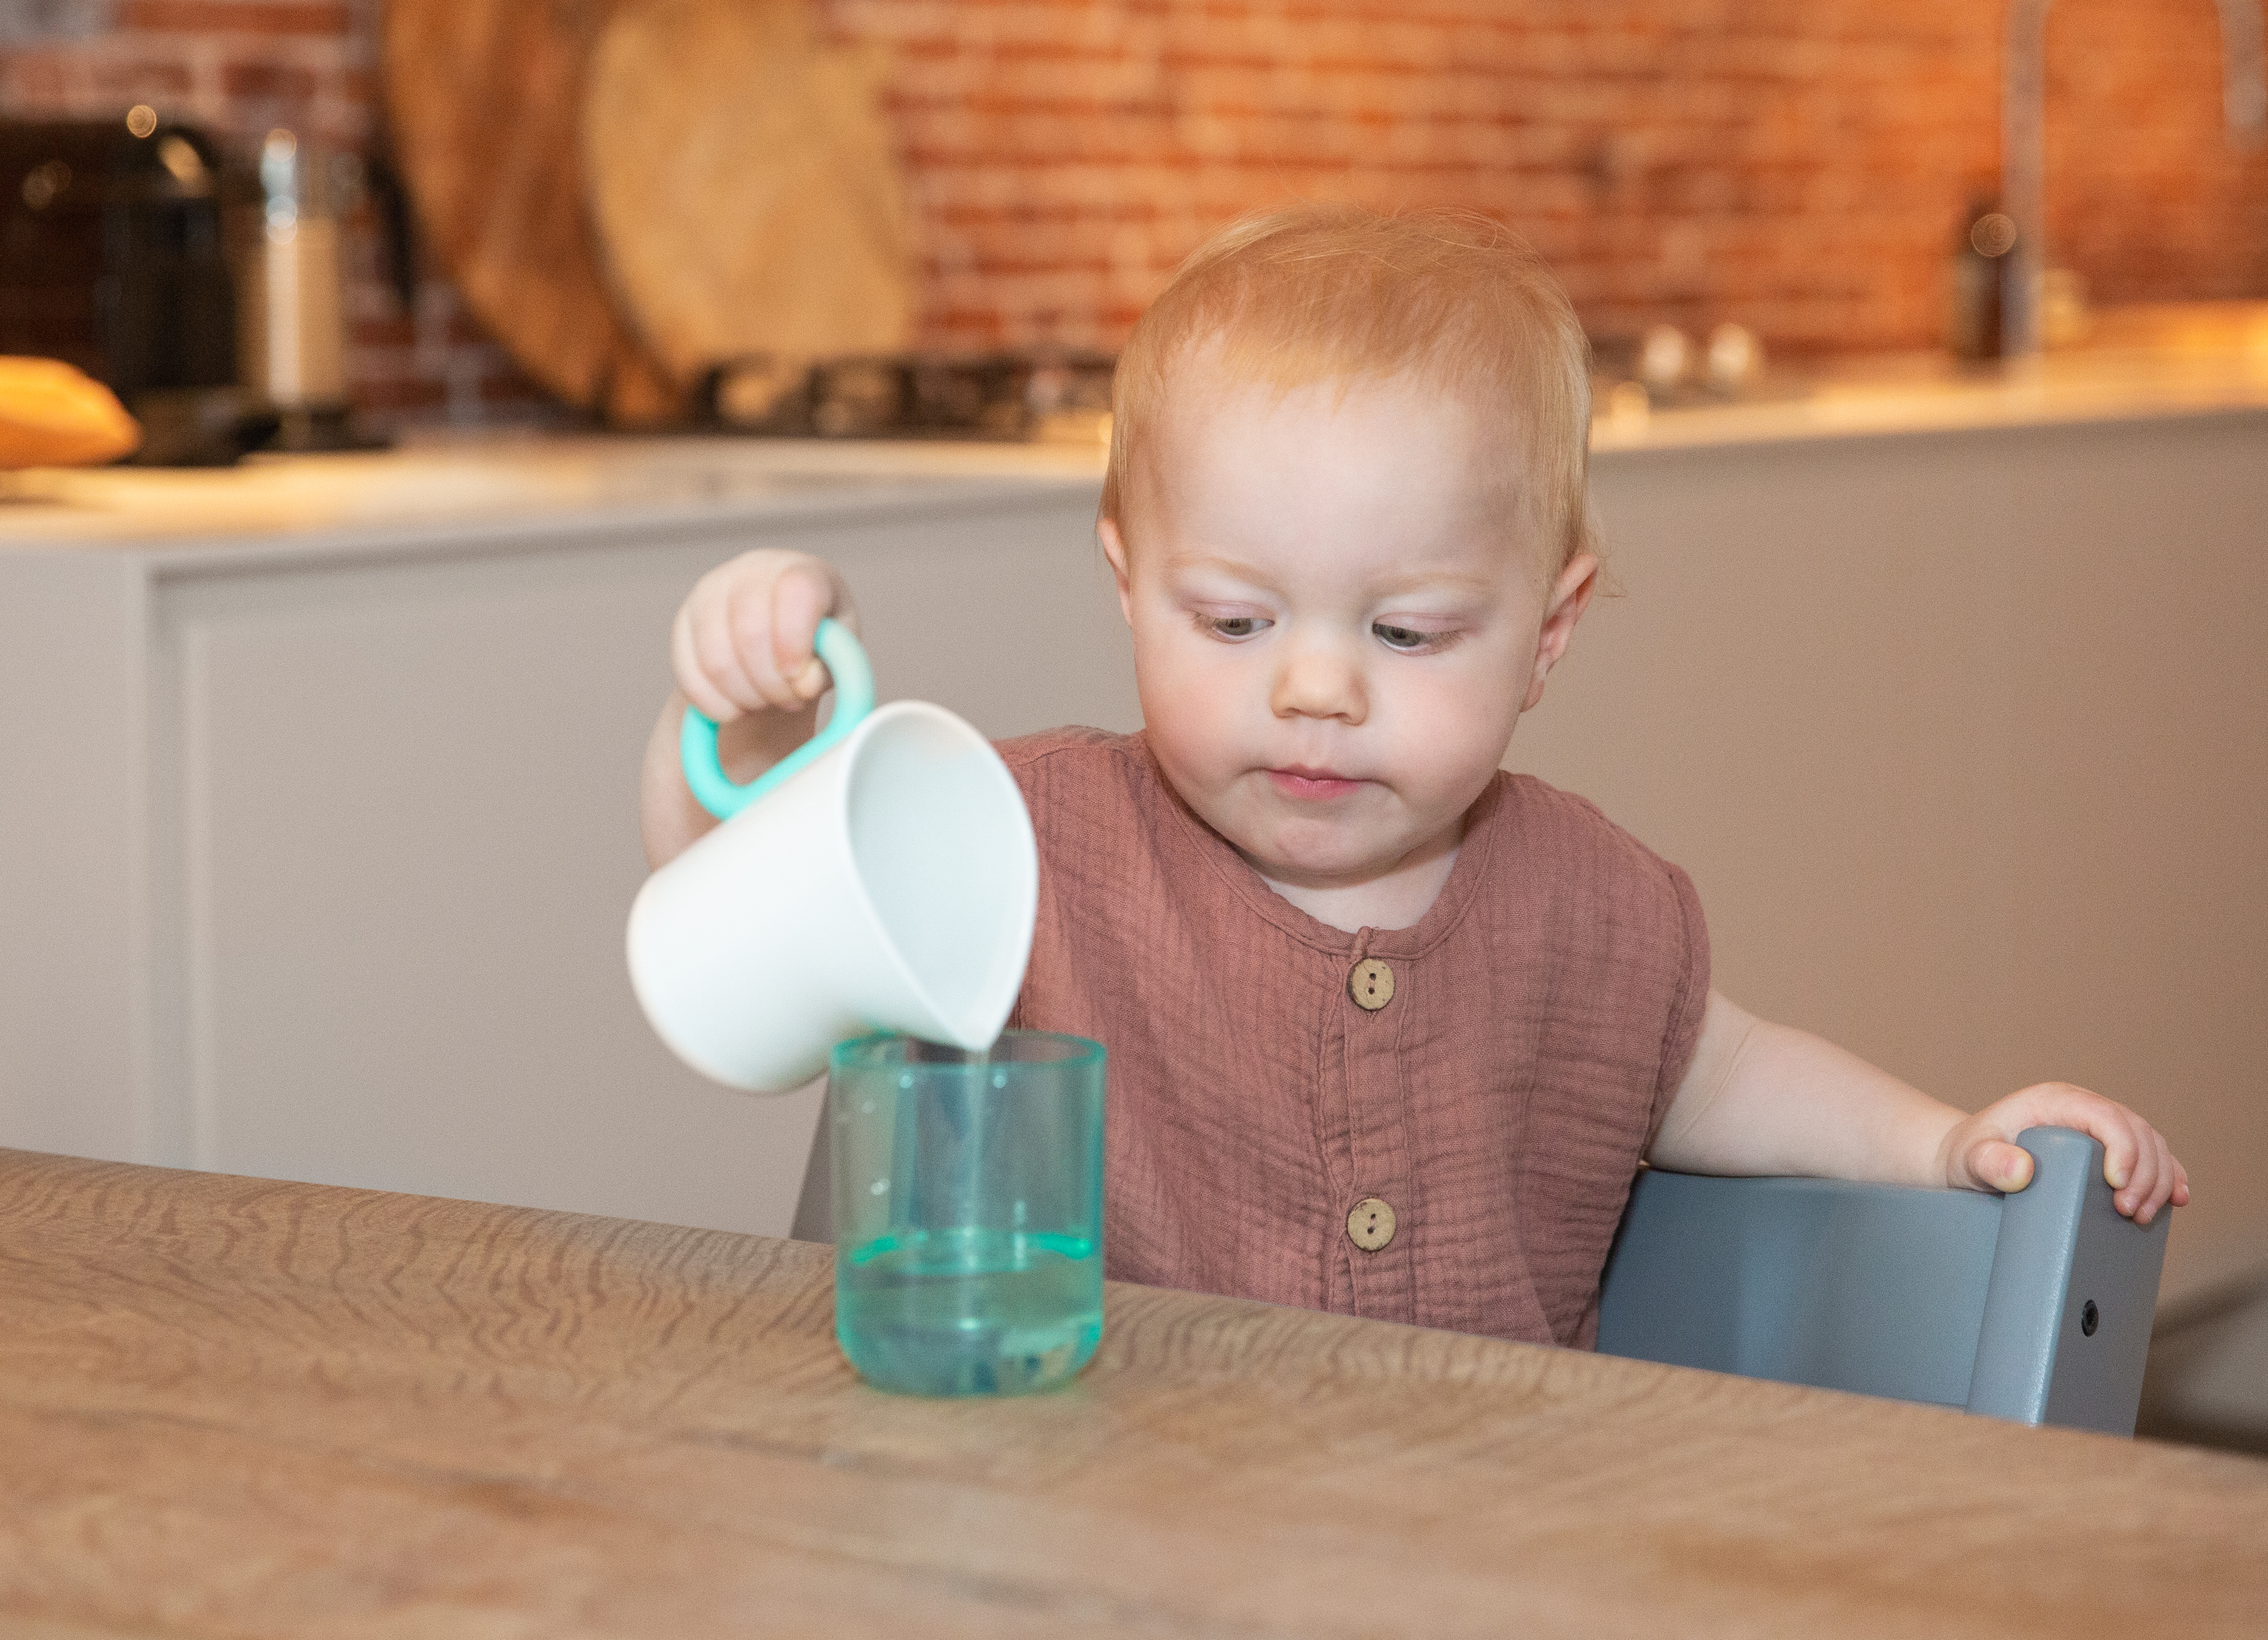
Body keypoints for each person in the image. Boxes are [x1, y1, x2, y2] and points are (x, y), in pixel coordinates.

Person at [641, 205, 2188, 1347]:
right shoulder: (1012, 847)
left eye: (1409, 628)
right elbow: (741, 911)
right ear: (1127, 579)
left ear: (1547, 630)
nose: (1318, 686)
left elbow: (1710, 1069)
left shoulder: (1590, 902)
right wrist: (755, 733)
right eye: (1234, 620)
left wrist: (1938, 1140)